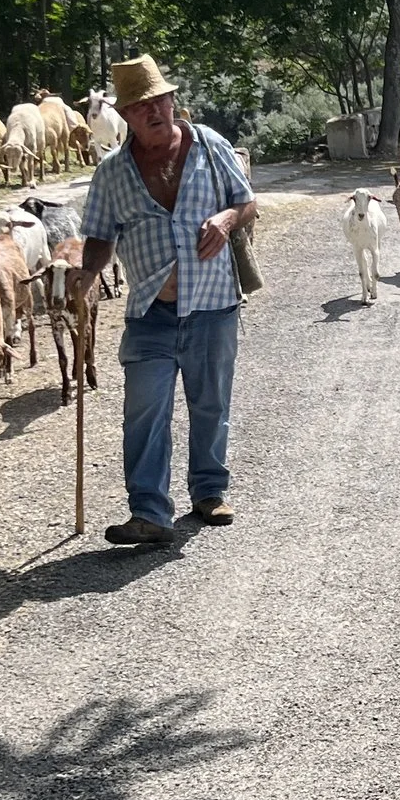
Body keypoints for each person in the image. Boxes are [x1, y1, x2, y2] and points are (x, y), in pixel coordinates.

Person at [72, 54, 259, 543]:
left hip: (214, 304)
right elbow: (98, 234)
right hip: (151, 312)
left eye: (161, 100)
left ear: (174, 100)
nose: (154, 111)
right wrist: (87, 273)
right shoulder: (112, 173)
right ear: (126, 116)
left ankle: (210, 492)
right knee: (144, 411)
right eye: (141, 106)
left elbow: (245, 201)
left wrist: (226, 220)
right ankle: (150, 513)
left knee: (211, 403)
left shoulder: (212, 147)